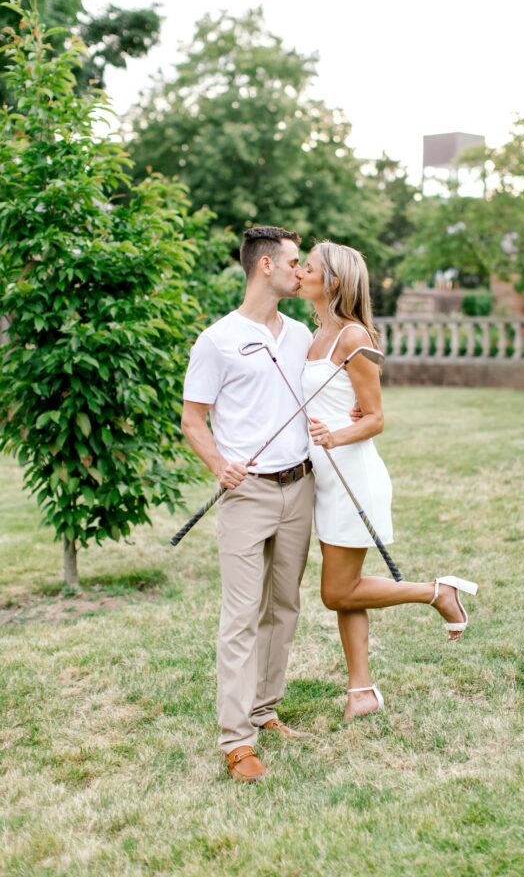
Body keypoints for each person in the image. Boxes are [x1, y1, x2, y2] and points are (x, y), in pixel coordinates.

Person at [299, 242, 478, 721]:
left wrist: (335, 435)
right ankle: (361, 692)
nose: (299, 272)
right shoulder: (312, 335)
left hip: (354, 475)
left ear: (333, 281)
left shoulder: (353, 336)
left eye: (308, 267)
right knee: (348, 587)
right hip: (326, 478)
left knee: (337, 591)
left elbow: (375, 418)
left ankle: (437, 592)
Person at [181, 226, 315, 783]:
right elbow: (193, 420)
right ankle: (236, 741)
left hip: (300, 486)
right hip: (248, 493)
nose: (300, 270)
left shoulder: (303, 334)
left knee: (283, 607)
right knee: (240, 616)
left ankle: (264, 710)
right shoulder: (217, 340)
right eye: (294, 260)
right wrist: (219, 465)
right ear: (265, 266)